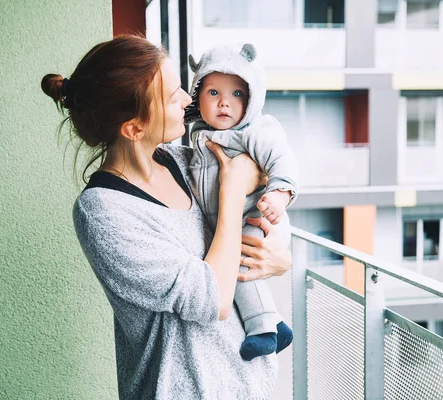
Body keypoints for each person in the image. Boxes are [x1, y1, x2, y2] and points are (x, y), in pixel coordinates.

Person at [40, 35, 292, 400]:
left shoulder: (184, 161)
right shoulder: (104, 213)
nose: (189, 100)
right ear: (134, 128)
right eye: (173, 95)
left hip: (250, 385)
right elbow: (214, 298)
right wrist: (233, 191)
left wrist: (279, 259)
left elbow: (259, 188)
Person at [185, 43, 298, 361]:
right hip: (235, 220)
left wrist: (279, 193)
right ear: (197, 95)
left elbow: (281, 158)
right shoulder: (201, 137)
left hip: (258, 218)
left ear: (252, 98)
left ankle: (262, 329)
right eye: (213, 93)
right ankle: (278, 324)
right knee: (233, 261)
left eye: (237, 94)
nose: (224, 102)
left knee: (239, 265)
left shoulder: (254, 131)